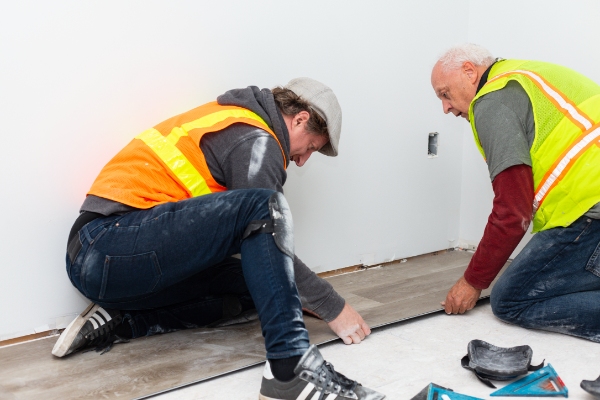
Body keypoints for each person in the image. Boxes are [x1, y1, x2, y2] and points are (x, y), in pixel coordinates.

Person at [53, 77, 385, 400]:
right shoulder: (257, 141)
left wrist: (298, 296)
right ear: (300, 118)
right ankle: (290, 368)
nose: (302, 160)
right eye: (310, 146)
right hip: (104, 245)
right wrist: (331, 305)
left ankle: (124, 317)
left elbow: (268, 264)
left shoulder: (234, 120)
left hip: (112, 261)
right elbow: (266, 223)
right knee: (264, 206)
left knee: (254, 285)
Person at [430, 44, 600, 342]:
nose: (445, 107)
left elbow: (513, 212)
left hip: (589, 209)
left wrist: (472, 281)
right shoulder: (526, 75)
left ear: (470, 72)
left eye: (444, 93)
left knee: (511, 298)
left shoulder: (492, 101)